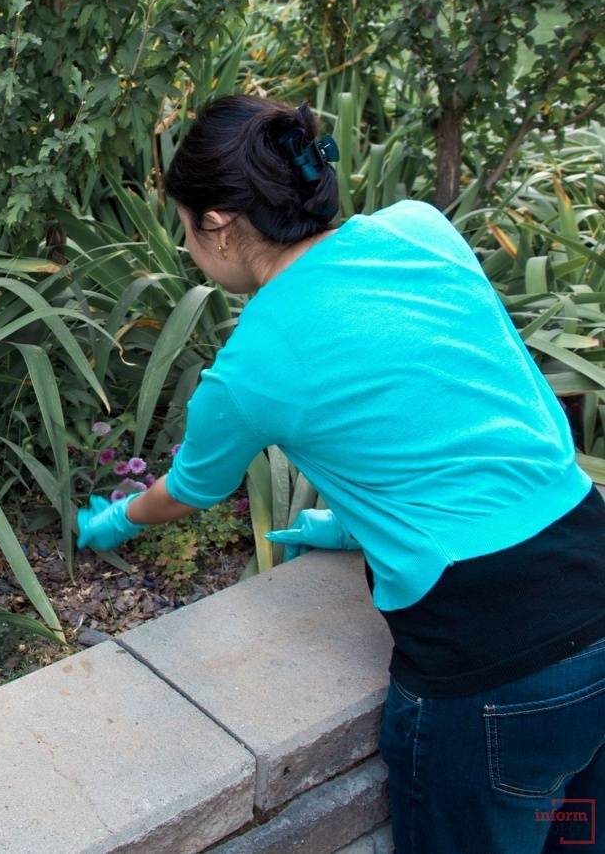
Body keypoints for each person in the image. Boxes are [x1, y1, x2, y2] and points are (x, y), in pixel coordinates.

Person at [74, 94, 605, 853]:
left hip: (493, 669)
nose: (188, 245)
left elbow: (191, 488)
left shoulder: (253, 362)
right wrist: (364, 520)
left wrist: (117, 519)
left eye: (185, 227)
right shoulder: (420, 226)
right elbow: (494, 410)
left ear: (218, 225)